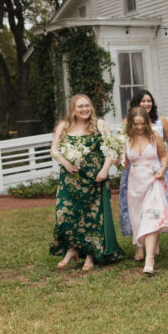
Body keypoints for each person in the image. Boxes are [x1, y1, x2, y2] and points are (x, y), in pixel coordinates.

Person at [49, 94, 124, 271]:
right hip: (70, 178)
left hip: (94, 178)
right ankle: (73, 248)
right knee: (64, 215)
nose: (84, 109)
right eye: (80, 106)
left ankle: (90, 255)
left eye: (87, 106)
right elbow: (54, 149)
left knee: (92, 217)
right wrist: (65, 162)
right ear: (73, 109)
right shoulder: (63, 126)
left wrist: (105, 170)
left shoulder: (100, 125)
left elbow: (111, 150)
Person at [119, 90, 168, 260]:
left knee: (156, 205)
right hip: (135, 170)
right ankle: (140, 245)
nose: (146, 104)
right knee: (136, 208)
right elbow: (123, 152)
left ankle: (154, 240)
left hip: (157, 169)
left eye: (149, 101)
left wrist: (165, 162)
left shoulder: (160, 121)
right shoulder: (127, 123)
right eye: (143, 101)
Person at [123, 106, 168, 275]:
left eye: (142, 124)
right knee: (138, 218)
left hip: (154, 180)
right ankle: (142, 246)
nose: (139, 127)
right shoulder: (127, 140)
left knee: (152, 215)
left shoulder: (154, 137)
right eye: (136, 124)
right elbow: (123, 164)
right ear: (131, 123)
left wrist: (162, 169)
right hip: (135, 184)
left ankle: (149, 260)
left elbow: (164, 156)